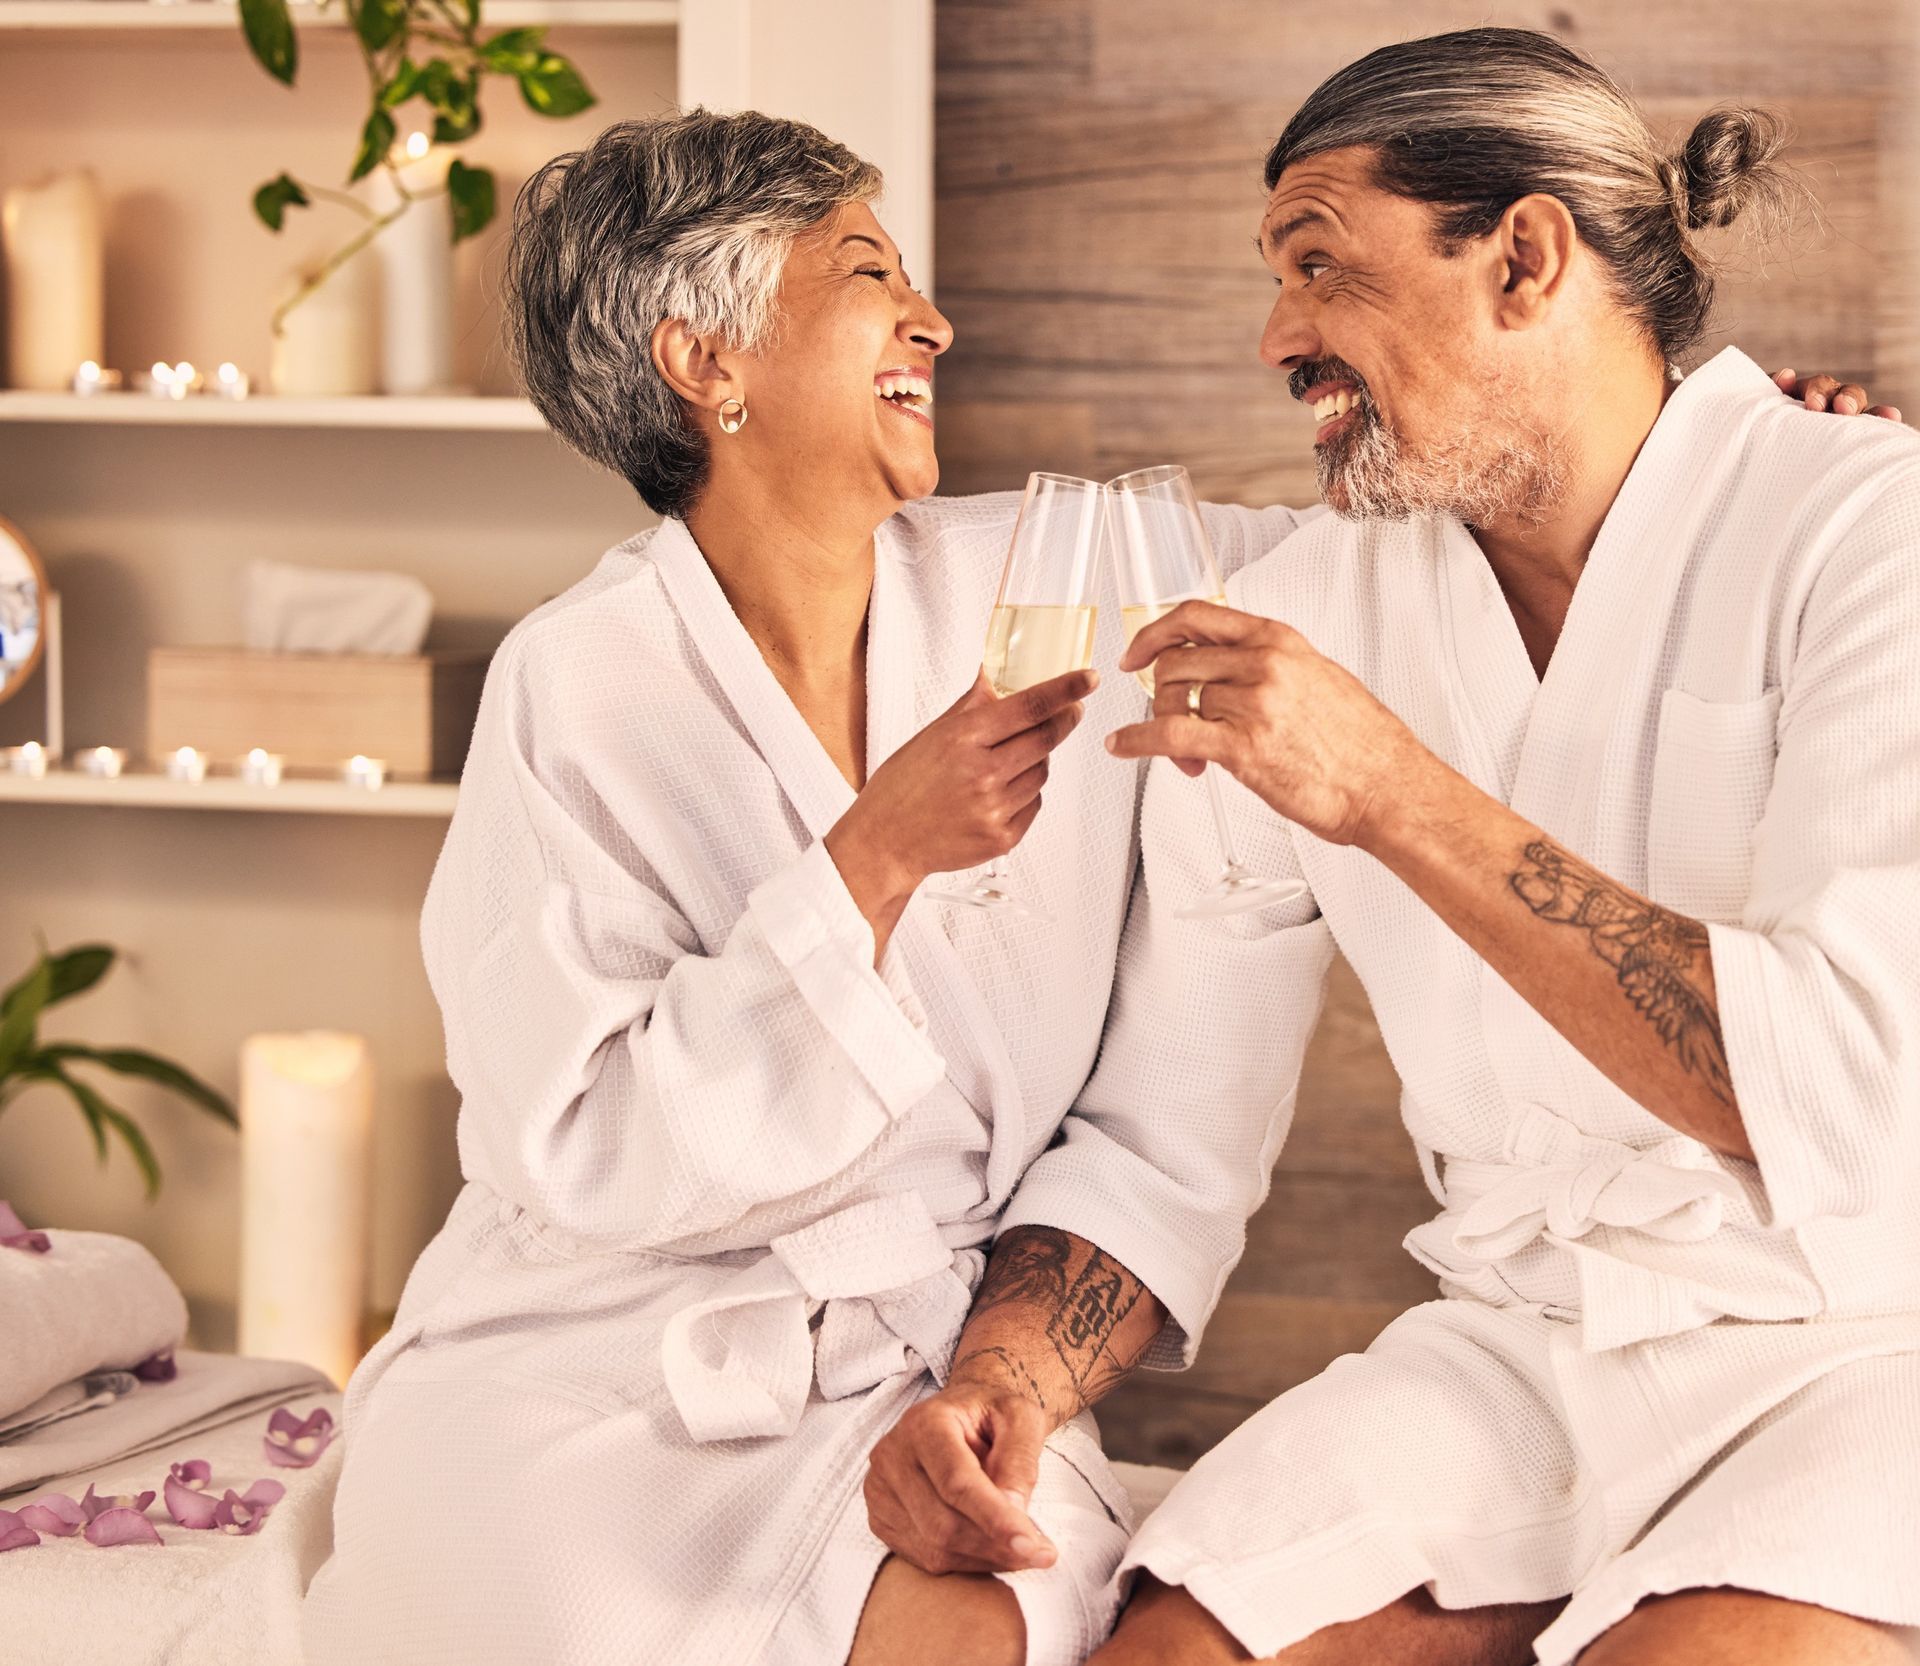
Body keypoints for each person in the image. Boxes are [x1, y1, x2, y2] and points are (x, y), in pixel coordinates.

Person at [864, 27, 1920, 1666]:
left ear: (1523, 258)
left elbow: (1846, 1088)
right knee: (1172, 1651)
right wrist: (999, 1382)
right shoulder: (1306, 614)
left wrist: (1389, 791)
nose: (1278, 337)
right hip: (1518, 1351)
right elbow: (1167, 1139)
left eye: (1319, 264)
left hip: (1861, 1346)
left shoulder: (1864, 528)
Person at [298, 109, 1310, 1666]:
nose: (933, 320)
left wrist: (1662, 471)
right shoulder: (577, 685)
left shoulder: (1057, 574)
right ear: (706, 361)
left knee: (981, 1625)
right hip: (596, 1362)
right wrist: (872, 861)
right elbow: (586, 1139)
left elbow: (1369, 574)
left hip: (917, 1357)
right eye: (867, 272)